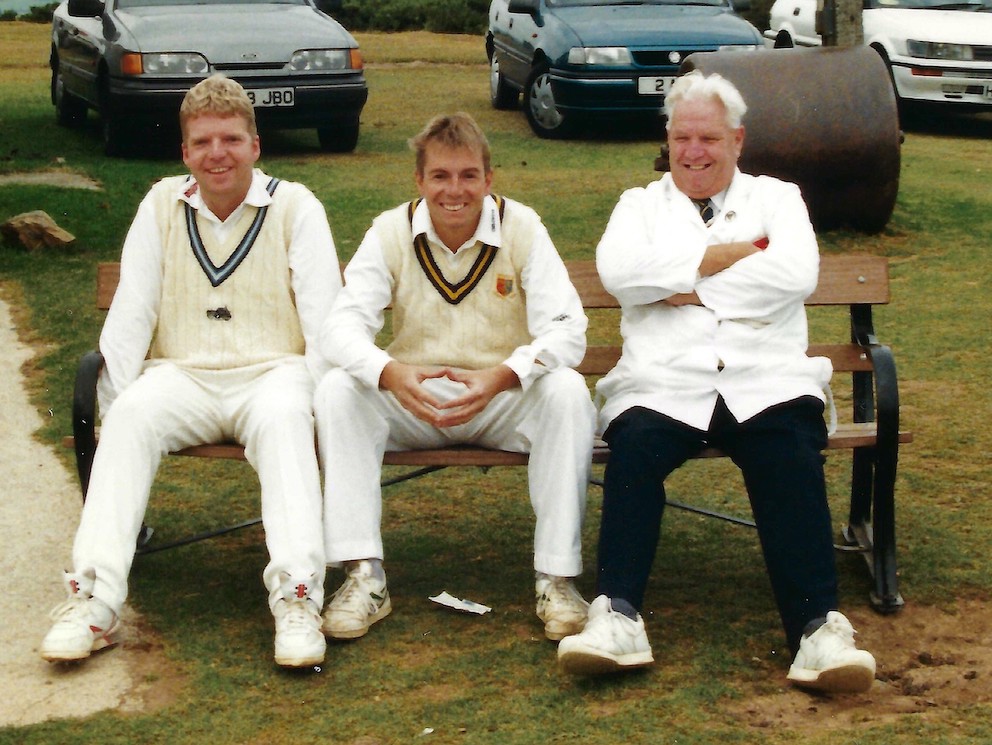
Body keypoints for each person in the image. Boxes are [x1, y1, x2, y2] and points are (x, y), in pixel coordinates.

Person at [556, 71, 877, 693]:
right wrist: (733, 258)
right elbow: (622, 273)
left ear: (737, 140)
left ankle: (818, 632)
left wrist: (679, 287)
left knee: (789, 453)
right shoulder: (637, 206)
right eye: (682, 137)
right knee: (636, 452)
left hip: (766, 379)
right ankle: (617, 617)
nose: (693, 151)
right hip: (663, 383)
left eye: (707, 137)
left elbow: (794, 276)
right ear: (668, 138)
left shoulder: (779, 199)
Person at [40, 74, 340, 669]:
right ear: (185, 152)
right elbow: (131, 314)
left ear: (256, 145)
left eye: (231, 139)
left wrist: (320, 404)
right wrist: (118, 410)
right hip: (182, 377)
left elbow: (324, 320)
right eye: (202, 142)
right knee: (129, 415)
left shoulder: (296, 206)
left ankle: (298, 598)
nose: (217, 153)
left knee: (284, 420)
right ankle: (94, 602)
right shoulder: (160, 204)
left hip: (274, 374)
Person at [314, 112, 596, 643]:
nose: (455, 190)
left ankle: (556, 579)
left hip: (499, 396)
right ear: (419, 181)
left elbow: (568, 330)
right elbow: (340, 327)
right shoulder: (391, 230)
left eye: (469, 176)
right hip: (416, 398)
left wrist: (504, 375)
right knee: (338, 389)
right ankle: (363, 576)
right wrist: (390, 373)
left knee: (566, 391)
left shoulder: (522, 226)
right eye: (440, 176)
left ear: (489, 180)